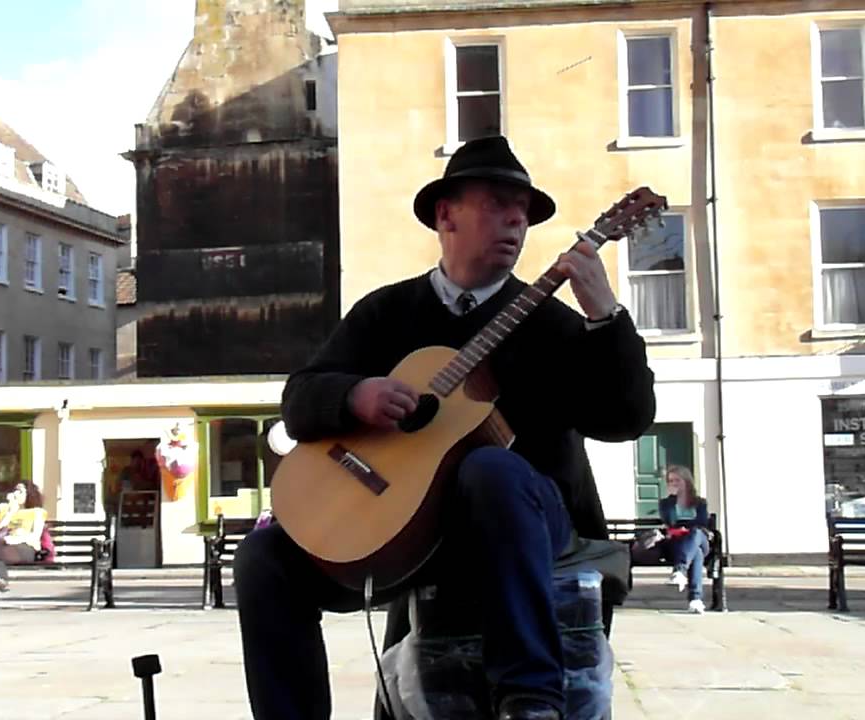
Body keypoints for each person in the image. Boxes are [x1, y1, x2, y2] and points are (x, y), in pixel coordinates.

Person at [233, 135, 657, 720]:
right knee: (264, 557)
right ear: (445, 214)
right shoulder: (386, 313)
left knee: (489, 466)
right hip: (408, 532)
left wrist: (605, 316)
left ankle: (531, 700)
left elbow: (626, 419)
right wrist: (354, 395)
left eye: (524, 212)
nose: (515, 220)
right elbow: (299, 398)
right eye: (496, 203)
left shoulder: (554, 323)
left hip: (529, 531)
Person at [0, 482, 47, 613]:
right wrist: (10, 512)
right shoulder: (9, 512)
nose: (16, 494)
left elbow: (35, 536)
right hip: (6, 547)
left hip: (27, 548)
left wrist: (15, 539)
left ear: (30, 494)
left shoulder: (37, 512)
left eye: (20, 491)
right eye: (15, 490)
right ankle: (1, 580)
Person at [658, 465, 710, 614]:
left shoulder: (700, 502)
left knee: (696, 533)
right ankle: (695, 600)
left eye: (677, 480)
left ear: (686, 481)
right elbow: (670, 522)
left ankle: (680, 570)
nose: (673, 484)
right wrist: (674, 499)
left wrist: (686, 528)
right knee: (697, 553)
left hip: (698, 537)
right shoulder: (666, 503)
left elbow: (702, 523)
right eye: (670, 481)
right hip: (676, 543)